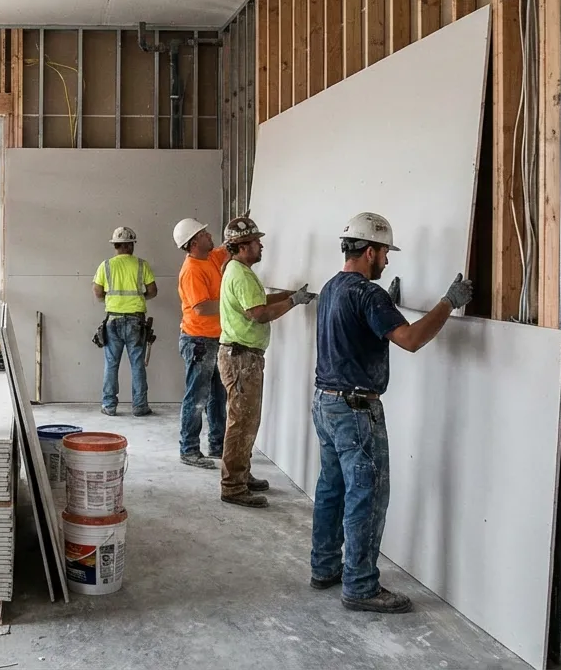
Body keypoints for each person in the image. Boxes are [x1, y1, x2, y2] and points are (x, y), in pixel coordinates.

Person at [308, 211, 472, 614]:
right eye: (384, 253)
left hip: (326, 403)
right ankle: (361, 586)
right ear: (369, 251)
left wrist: (387, 305)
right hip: (356, 410)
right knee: (367, 494)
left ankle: (325, 567)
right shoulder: (367, 294)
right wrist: (449, 302)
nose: (387, 261)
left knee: (332, 489)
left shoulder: (333, 288)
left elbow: (355, 329)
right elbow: (412, 340)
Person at [217, 216, 315, 507]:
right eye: (256, 242)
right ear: (242, 246)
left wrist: (290, 295)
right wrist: (293, 302)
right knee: (241, 422)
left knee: (247, 420)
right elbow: (258, 314)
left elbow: (260, 302)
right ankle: (232, 487)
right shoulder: (240, 274)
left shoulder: (239, 271)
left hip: (242, 356)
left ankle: (241, 474)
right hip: (241, 357)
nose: (261, 246)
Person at [173, 218, 228, 469]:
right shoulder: (193, 269)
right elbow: (202, 307)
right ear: (194, 243)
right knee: (196, 397)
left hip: (214, 339)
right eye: (204, 233)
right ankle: (189, 450)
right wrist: (232, 305)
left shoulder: (211, 258)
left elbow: (228, 246)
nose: (209, 235)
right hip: (199, 341)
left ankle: (217, 444)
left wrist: (241, 224)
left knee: (218, 394)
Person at [92, 226, 157, 417]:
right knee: (137, 363)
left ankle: (109, 405)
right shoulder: (141, 265)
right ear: (130, 245)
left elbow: (97, 292)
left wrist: (112, 299)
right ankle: (139, 406)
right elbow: (153, 291)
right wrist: (139, 297)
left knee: (111, 364)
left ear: (116, 245)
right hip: (136, 320)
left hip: (113, 320)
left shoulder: (105, 266)